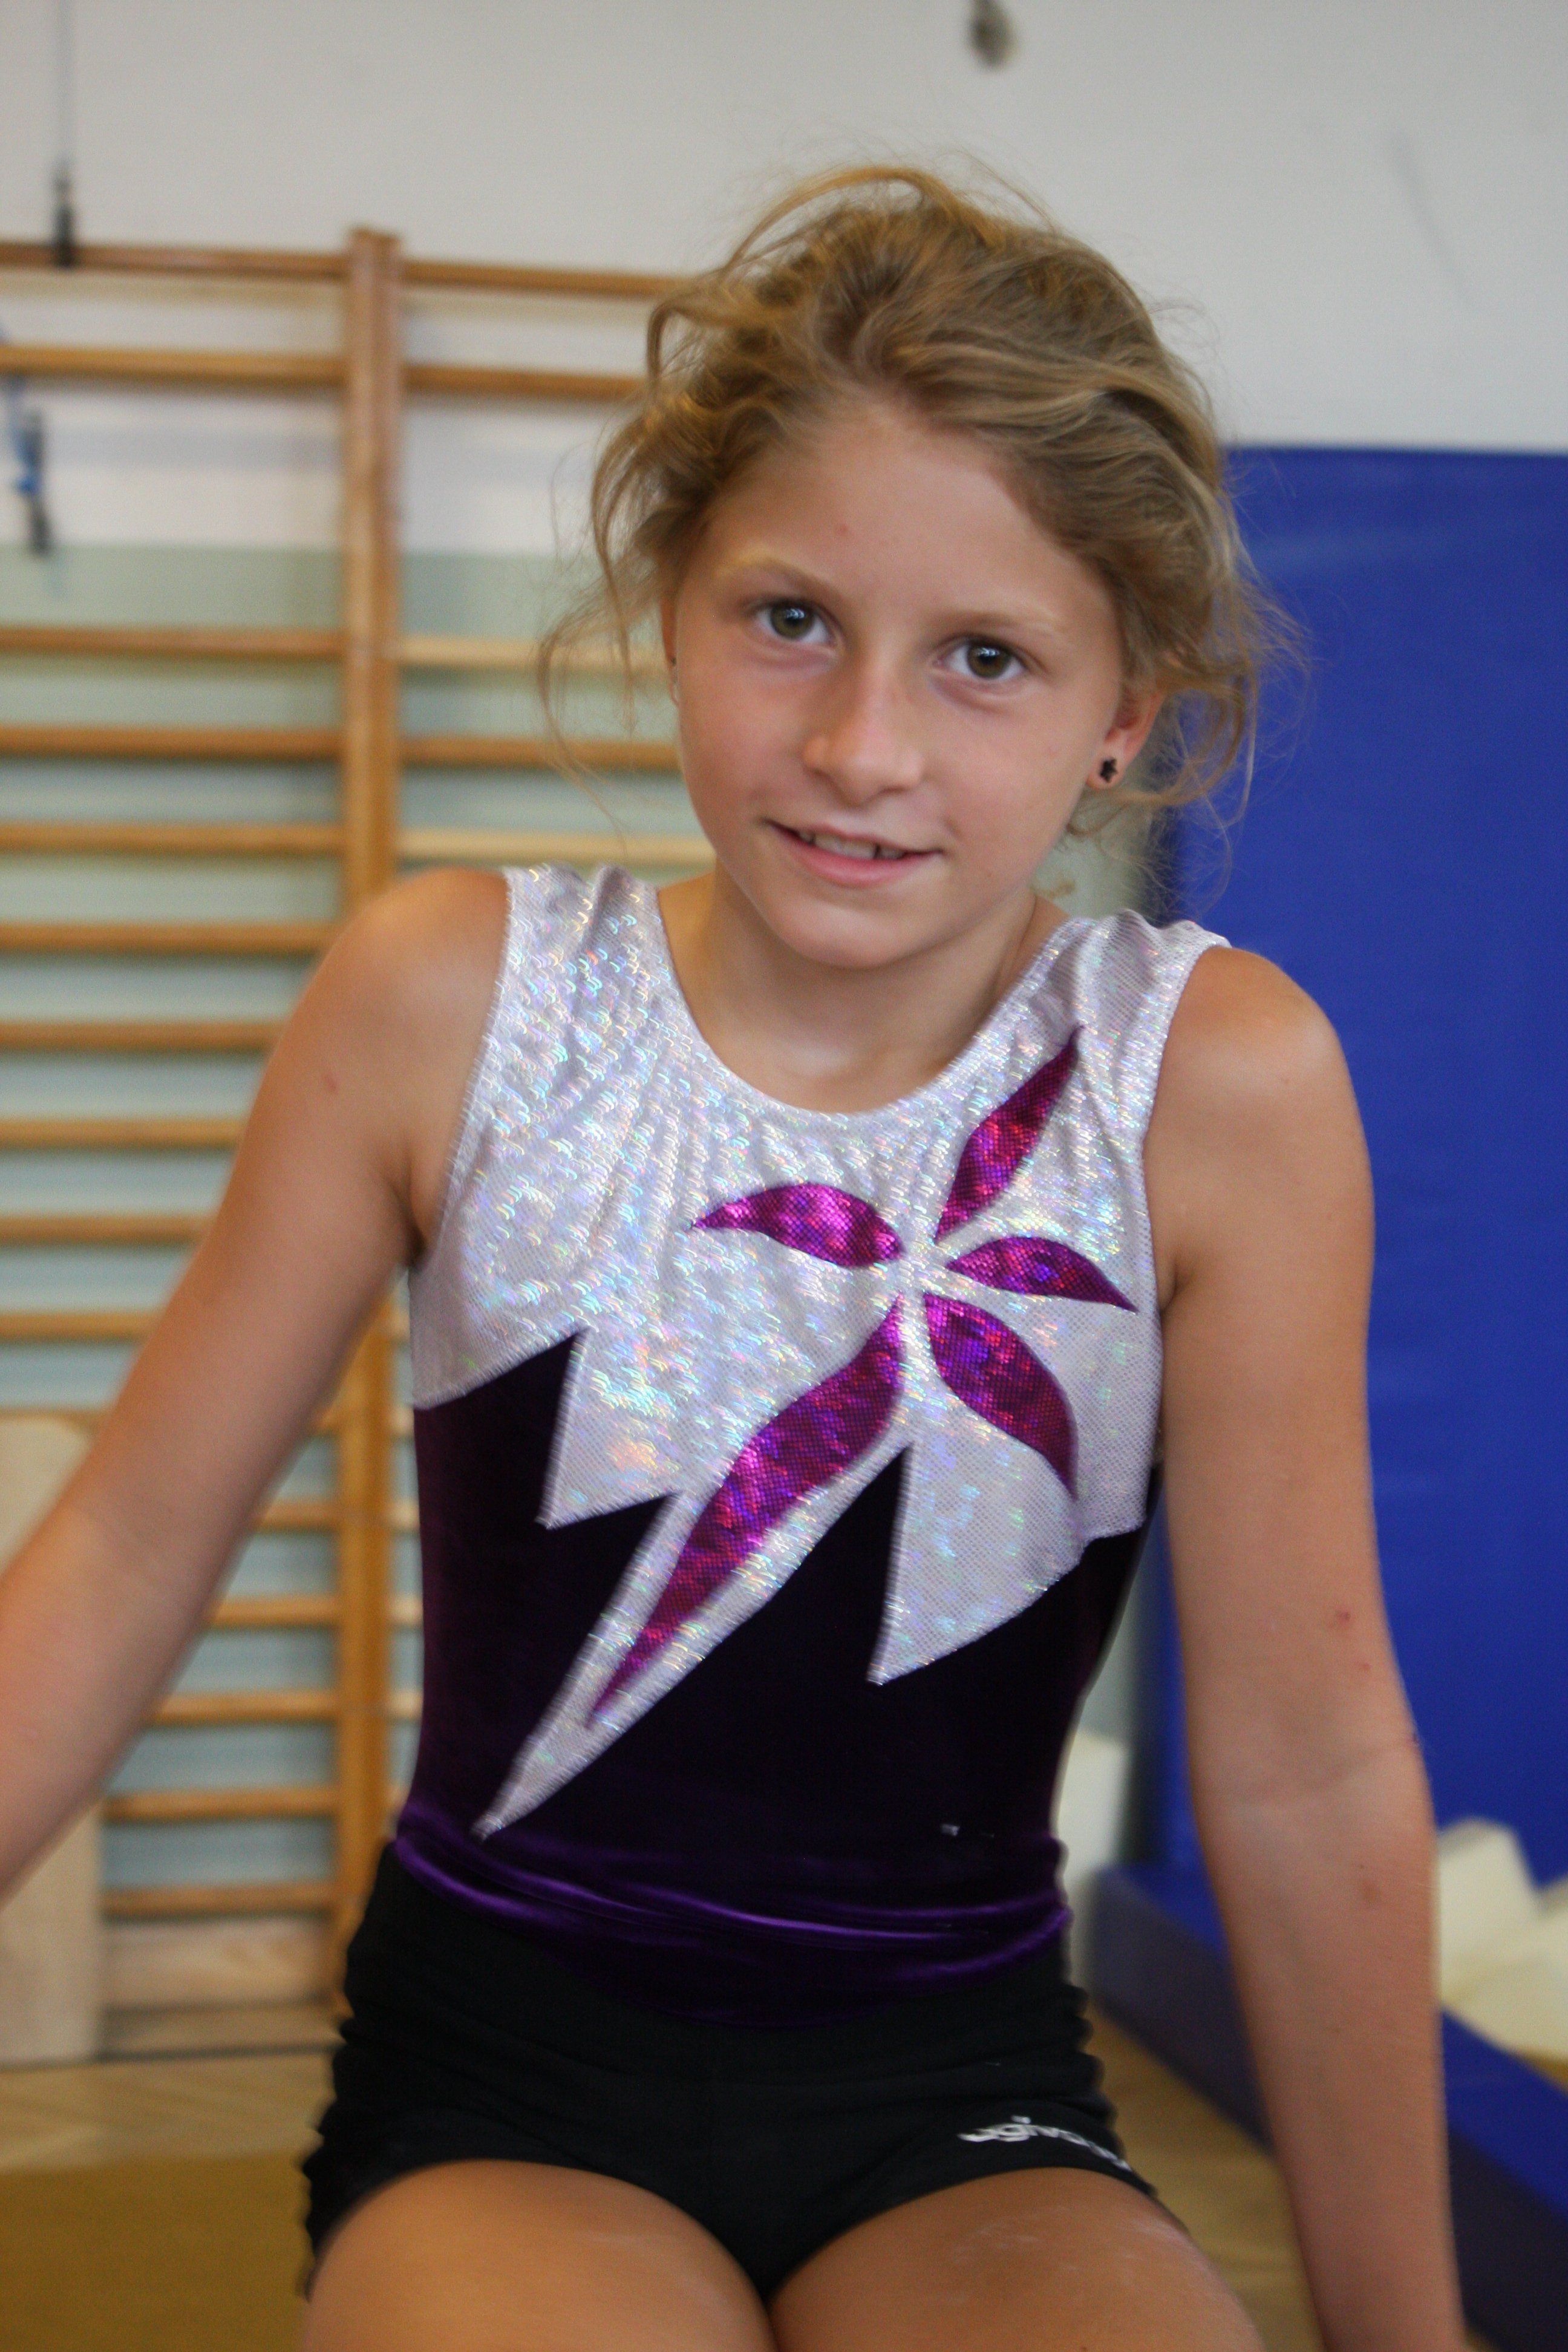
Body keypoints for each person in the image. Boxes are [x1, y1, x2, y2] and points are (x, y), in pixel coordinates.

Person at [0, 168, 1467, 2352]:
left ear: (1124, 712)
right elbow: (124, 1554)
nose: (864, 746)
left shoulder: (1208, 1087)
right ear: (670, 604)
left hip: (958, 2099)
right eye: (790, 618)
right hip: (503, 2095)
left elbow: (1305, 1758)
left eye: (986, 658)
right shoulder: (451, 1003)